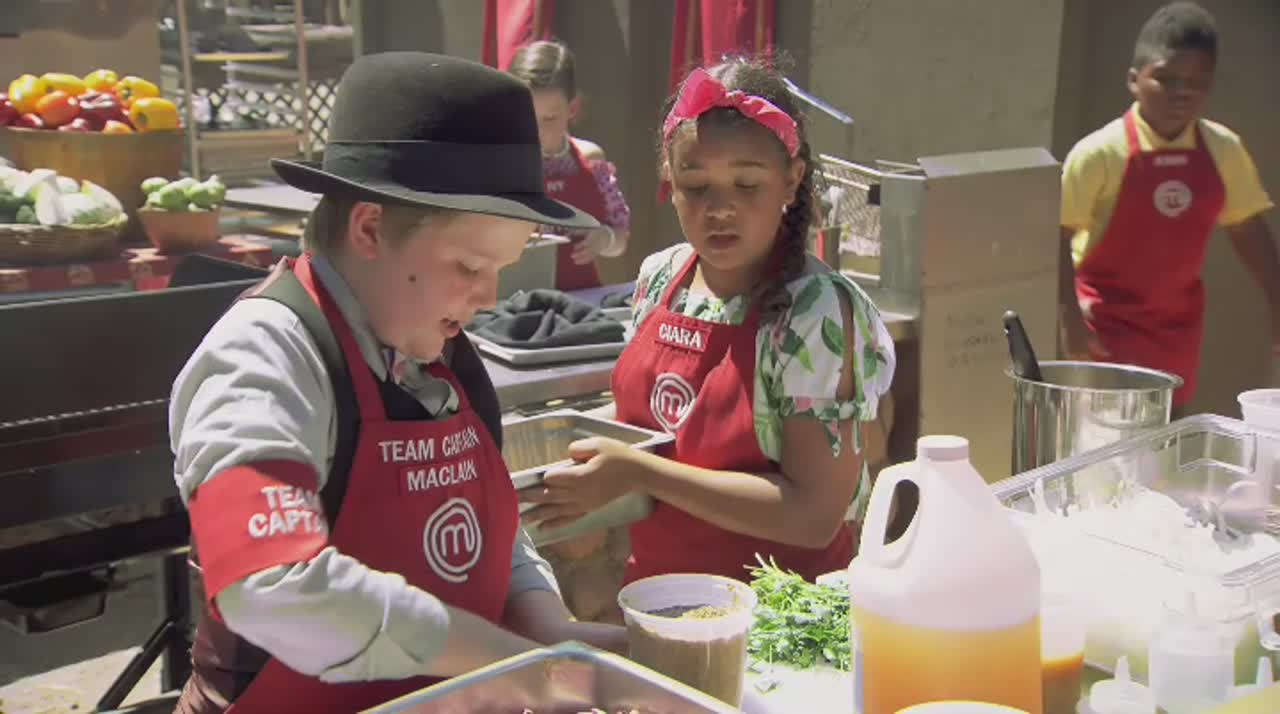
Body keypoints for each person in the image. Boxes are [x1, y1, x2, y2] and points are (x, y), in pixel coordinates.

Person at [170, 52, 626, 714]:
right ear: (370, 228)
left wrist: (548, 628)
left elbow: (487, 532)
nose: (489, 297)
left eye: (502, 268)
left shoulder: (435, 344)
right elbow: (271, 582)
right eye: (470, 265)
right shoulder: (264, 355)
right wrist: (507, 665)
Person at [521, 57, 896, 583]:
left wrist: (640, 473)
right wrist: (559, 442)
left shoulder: (815, 312)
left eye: (747, 185)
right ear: (669, 180)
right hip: (661, 598)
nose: (719, 209)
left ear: (791, 182)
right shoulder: (661, 277)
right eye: (696, 186)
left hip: (779, 612)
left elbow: (813, 516)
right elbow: (661, 417)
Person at [1059, 1, 1278, 413]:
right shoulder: (1098, 153)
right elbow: (1056, 237)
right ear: (1134, 80)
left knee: (1167, 439)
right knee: (1107, 440)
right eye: (1166, 79)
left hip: (1176, 333)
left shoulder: (1224, 150)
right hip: (1104, 329)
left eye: (1196, 82)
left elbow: (1247, 228)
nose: (1181, 93)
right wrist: (1069, 319)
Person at [507, 40, 631, 291]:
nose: (537, 130)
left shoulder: (590, 160)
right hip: (519, 300)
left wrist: (604, 239)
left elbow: (621, 238)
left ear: (572, 108)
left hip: (581, 296)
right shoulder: (504, 165)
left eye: (549, 118)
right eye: (526, 117)